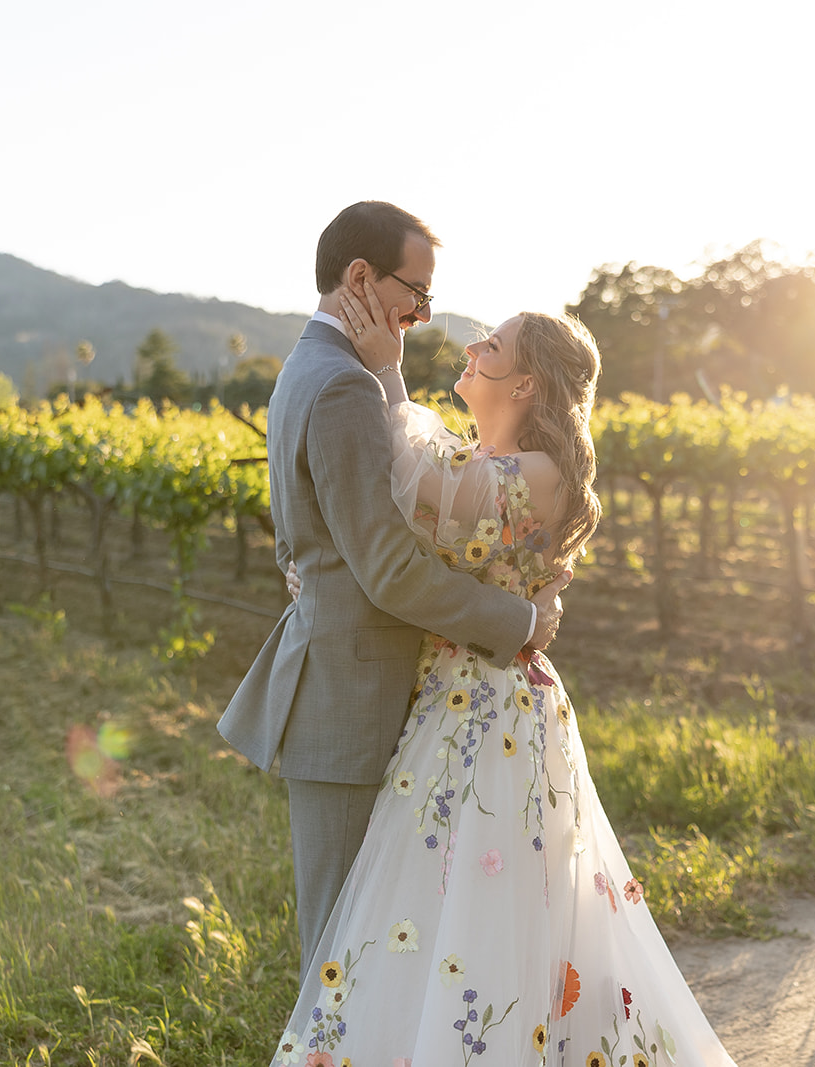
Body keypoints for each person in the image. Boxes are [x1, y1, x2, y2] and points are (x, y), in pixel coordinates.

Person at [264, 283, 741, 1065]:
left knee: (479, 914)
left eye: (493, 344)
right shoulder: (485, 459)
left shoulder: (542, 473)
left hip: (491, 718)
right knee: (424, 911)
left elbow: (408, 475)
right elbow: (402, 500)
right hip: (442, 706)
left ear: (525, 384)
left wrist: (383, 367)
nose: (473, 346)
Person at [217, 202, 573, 989]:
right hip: (349, 696)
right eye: (416, 290)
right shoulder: (344, 386)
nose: (422, 312)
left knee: (373, 952)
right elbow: (388, 568)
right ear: (359, 277)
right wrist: (520, 620)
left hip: (363, 688)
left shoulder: (318, 369)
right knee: (343, 959)